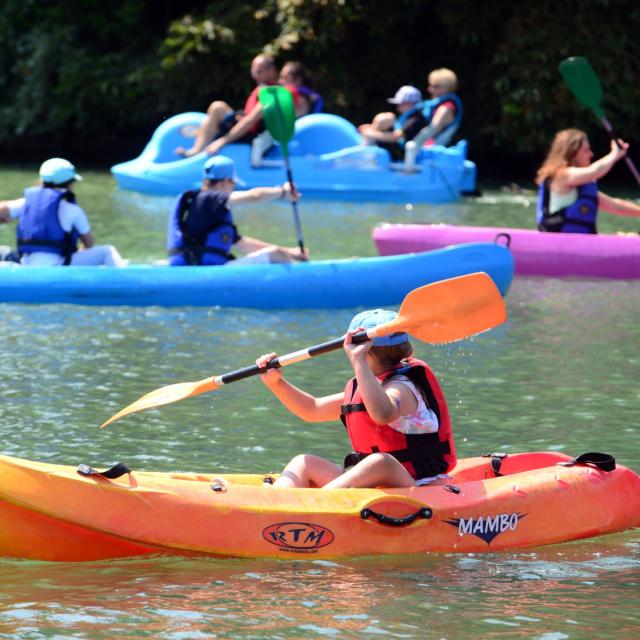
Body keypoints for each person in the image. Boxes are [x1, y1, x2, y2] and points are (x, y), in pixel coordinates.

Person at [256, 308, 456, 489]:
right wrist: (276, 383)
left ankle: (316, 504)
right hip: (373, 484)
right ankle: (278, 501)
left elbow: (382, 413)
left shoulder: (402, 387)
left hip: (417, 485)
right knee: (304, 462)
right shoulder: (368, 388)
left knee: (380, 462)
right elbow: (312, 409)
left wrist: (358, 359)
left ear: (363, 350)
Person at [167, 155, 307, 266]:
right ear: (225, 181)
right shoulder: (209, 199)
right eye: (233, 184)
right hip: (206, 270)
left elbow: (243, 244)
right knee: (276, 254)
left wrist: (290, 252)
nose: (233, 188)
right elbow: (254, 196)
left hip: (199, 267)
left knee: (279, 253)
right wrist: (283, 192)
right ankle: (305, 277)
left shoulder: (208, 211)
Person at [0, 158, 126, 266]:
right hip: (59, 265)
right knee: (107, 251)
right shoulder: (73, 210)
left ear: (41, 181)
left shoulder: (24, 203)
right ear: (70, 184)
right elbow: (89, 244)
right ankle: (127, 282)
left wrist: (3, 220)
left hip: (26, 265)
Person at [535, 128, 640, 233]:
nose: (591, 154)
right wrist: (615, 154)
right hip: (557, 242)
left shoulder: (582, 186)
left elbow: (614, 205)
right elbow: (594, 171)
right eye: (586, 150)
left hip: (580, 243)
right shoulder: (562, 176)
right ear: (573, 153)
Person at [176, 54, 279, 158]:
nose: (255, 74)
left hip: (255, 136)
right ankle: (197, 150)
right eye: (254, 70)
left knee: (217, 108)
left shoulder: (272, 93)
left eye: (259, 71)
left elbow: (250, 121)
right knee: (217, 109)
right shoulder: (262, 89)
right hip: (248, 129)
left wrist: (222, 141)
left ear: (272, 70)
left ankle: (197, 153)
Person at [358, 85, 427, 160]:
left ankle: (363, 153)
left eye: (401, 103)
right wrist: (370, 128)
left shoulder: (416, 119)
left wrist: (371, 134)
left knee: (387, 118)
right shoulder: (408, 116)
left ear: (411, 103)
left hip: (402, 155)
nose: (398, 106)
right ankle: (364, 149)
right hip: (399, 149)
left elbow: (395, 137)